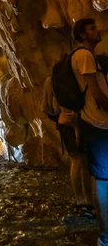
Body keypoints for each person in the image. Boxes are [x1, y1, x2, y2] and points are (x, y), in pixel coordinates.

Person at [72, 18, 108, 246]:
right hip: (98, 124)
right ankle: (105, 237)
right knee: (103, 179)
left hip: (97, 124)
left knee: (103, 177)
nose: (98, 30)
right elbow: (95, 93)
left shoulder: (86, 55)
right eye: (92, 28)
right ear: (83, 35)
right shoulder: (84, 56)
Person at [42, 75, 94, 216]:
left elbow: (47, 108)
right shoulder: (73, 79)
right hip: (79, 122)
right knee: (80, 161)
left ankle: (82, 200)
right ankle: (85, 201)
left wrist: (59, 117)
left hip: (66, 123)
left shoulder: (52, 80)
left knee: (78, 160)